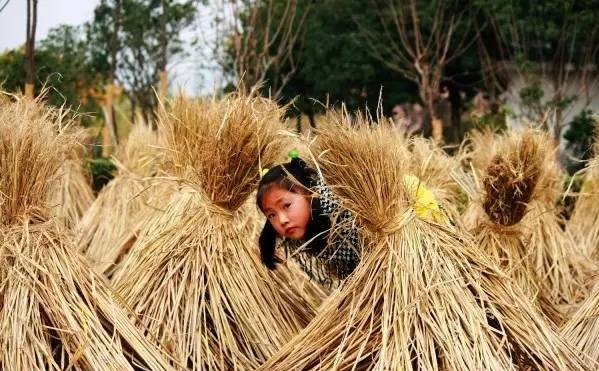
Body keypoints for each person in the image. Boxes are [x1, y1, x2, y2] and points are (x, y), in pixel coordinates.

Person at [256, 152, 362, 287]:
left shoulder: (346, 219)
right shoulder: (305, 238)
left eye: (287, 205)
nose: (282, 220)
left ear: (311, 194)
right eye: (271, 215)